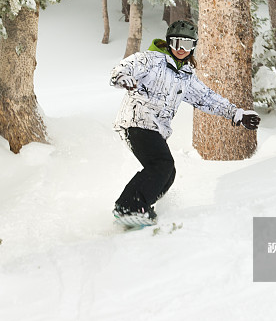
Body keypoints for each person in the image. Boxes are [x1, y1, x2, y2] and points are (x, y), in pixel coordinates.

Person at [110, 19, 260, 226]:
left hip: (156, 129)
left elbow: (207, 98)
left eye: (187, 45)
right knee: (161, 164)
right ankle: (128, 208)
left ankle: (141, 209)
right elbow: (123, 68)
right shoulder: (151, 59)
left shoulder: (185, 76)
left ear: (193, 47)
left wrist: (237, 114)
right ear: (169, 42)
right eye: (177, 43)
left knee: (168, 174)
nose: (181, 49)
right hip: (136, 121)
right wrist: (123, 77)